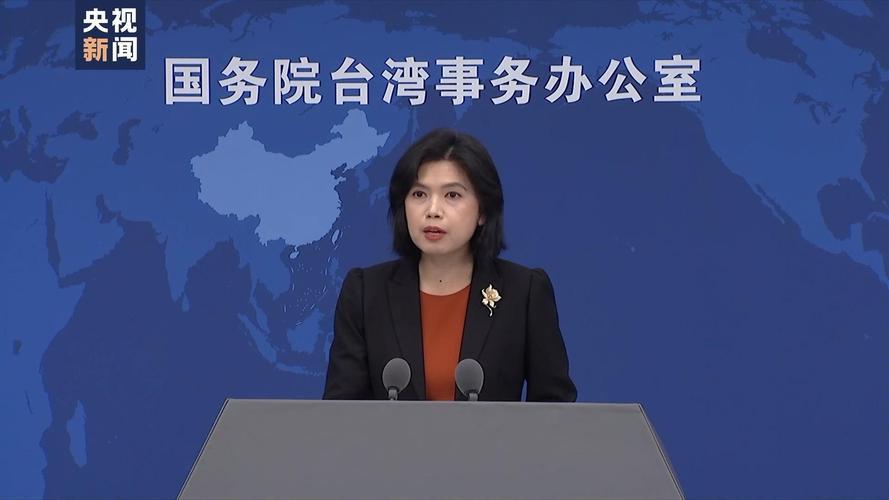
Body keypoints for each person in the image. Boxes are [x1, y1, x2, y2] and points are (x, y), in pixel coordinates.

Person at [323, 128, 576, 402]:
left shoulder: (524, 293)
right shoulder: (365, 293)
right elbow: (340, 413)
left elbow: (555, 411)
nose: (433, 210)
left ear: (483, 210)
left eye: (452, 195)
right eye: (419, 195)